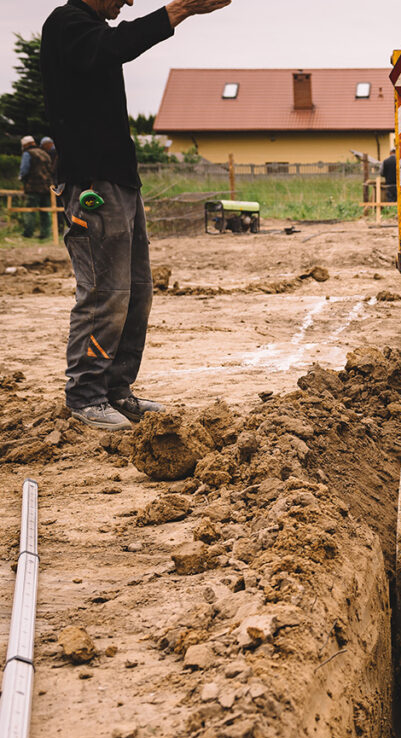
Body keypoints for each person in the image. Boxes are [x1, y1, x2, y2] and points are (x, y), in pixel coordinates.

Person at [40, 0, 232, 431]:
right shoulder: (68, 23)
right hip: (92, 182)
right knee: (105, 293)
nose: (128, 2)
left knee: (137, 292)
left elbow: (112, 44)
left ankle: (116, 390)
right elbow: (115, 46)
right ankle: (85, 396)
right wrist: (177, 11)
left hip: (120, 181)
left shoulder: (88, 27)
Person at [18, 136, 53, 241]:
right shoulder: (44, 153)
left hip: (33, 187)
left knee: (30, 210)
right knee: (46, 211)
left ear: (25, 145)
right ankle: (46, 233)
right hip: (47, 187)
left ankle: (28, 233)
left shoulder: (27, 154)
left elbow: (24, 170)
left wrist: (21, 179)